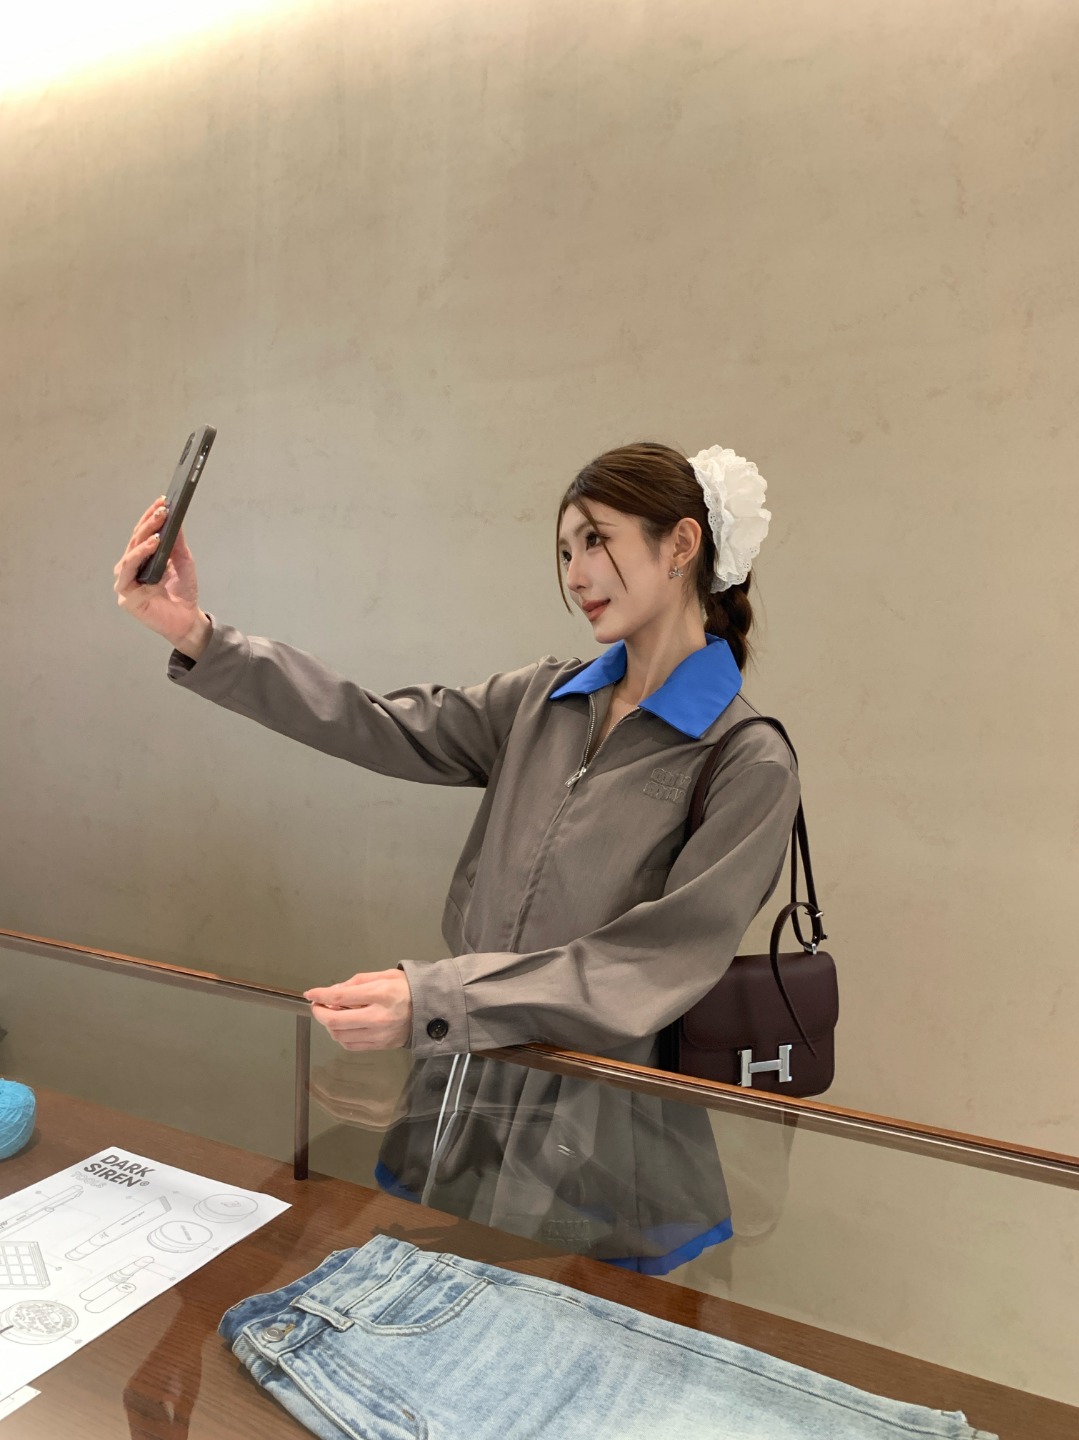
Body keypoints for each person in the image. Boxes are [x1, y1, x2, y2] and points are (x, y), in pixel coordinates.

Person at [114, 439, 799, 1272]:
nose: (576, 575)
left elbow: (650, 964)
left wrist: (434, 997)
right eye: (565, 551)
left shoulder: (746, 760)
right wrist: (198, 635)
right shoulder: (544, 701)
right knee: (420, 1303)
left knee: (556, 1331)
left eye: (596, 540)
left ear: (682, 544)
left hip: (601, 1128)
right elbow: (373, 721)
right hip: (465, 1094)